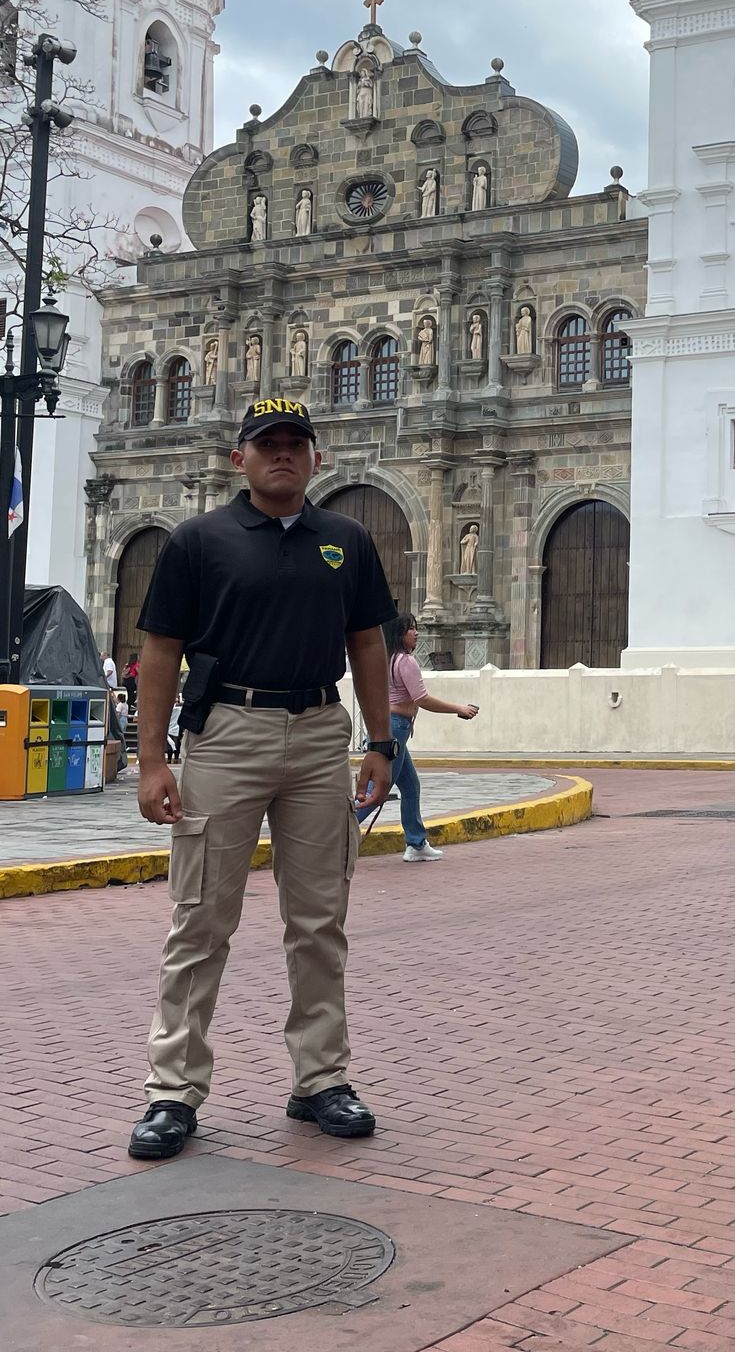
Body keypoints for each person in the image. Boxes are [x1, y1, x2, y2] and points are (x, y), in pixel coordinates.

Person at [127, 397, 398, 1161]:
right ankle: (173, 1091)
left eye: (295, 444)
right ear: (238, 458)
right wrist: (153, 762)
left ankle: (321, 1078)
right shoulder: (198, 541)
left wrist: (381, 744)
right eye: (266, 443)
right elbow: (160, 652)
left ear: (316, 458)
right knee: (201, 919)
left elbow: (368, 644)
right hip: (226, 735)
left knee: (319, 920)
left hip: (318, 734)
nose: (282, 454)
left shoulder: (346, 540)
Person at [354, 611, 479, 860]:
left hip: (386, 727)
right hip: (397, 729)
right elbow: (422, 699)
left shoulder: (386, 660)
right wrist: (459, 709)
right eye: (410, 629)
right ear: (399, 634)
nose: (416, 633)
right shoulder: (405, 662)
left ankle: (416, 843)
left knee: (410, 786)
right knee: (378, 791)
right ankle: (334, 834)